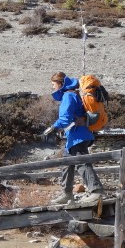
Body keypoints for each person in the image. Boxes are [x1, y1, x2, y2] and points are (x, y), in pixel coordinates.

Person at [41, 71, 104, 205]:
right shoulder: (74, 94)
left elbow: (65, 118)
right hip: (77, 135)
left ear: (60, 84)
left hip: (78, 136)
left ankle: (96, 191)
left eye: (53, 84)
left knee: (82, 162)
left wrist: (53, 127)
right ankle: (67, 193)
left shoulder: (68, 96)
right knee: (66, 162)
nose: (53, 87)